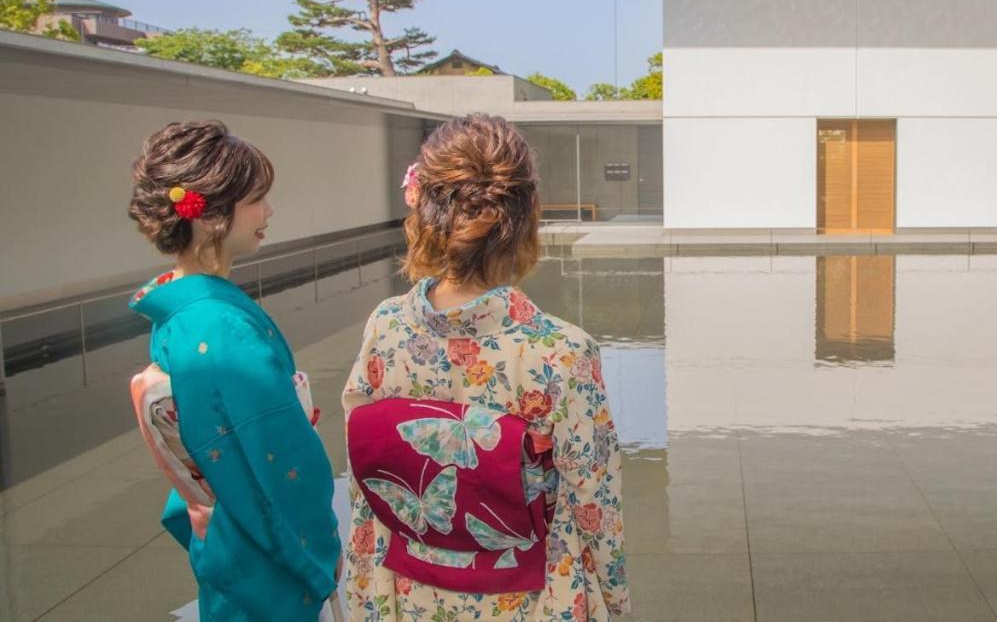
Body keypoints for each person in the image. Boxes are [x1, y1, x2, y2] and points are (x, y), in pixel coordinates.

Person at [343, 113, 629, 621]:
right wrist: (615, 598)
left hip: (411, 589)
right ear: (527, 213)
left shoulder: (386, 328)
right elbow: (595, 504)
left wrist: (367, 587)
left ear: (423, 207)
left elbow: (369, 474)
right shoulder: (559, 351)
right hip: (531, 594)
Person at [126, 120, 341, 620]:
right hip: (262, 553)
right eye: (256, 200)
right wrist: (318, 553)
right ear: (209, 214)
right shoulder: (220, 326)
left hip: (224, 529)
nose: (269, 211)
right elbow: (277, 462)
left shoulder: (178, 309)